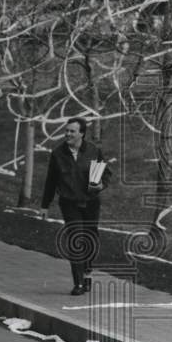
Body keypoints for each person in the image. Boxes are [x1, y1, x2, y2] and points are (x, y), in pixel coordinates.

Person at [36, 117, 110, 295]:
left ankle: (87, 274)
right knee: (76, 239)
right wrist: (44, 205)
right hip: (69, 203)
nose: (68, 134)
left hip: (91, 202)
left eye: (72, 131)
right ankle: (78, 283)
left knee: (90, 240)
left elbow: (105, 173)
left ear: (82, 134)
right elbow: (51, 181)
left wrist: (101, 184)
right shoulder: (58, 153)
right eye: (67, 130)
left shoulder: (93, 150)